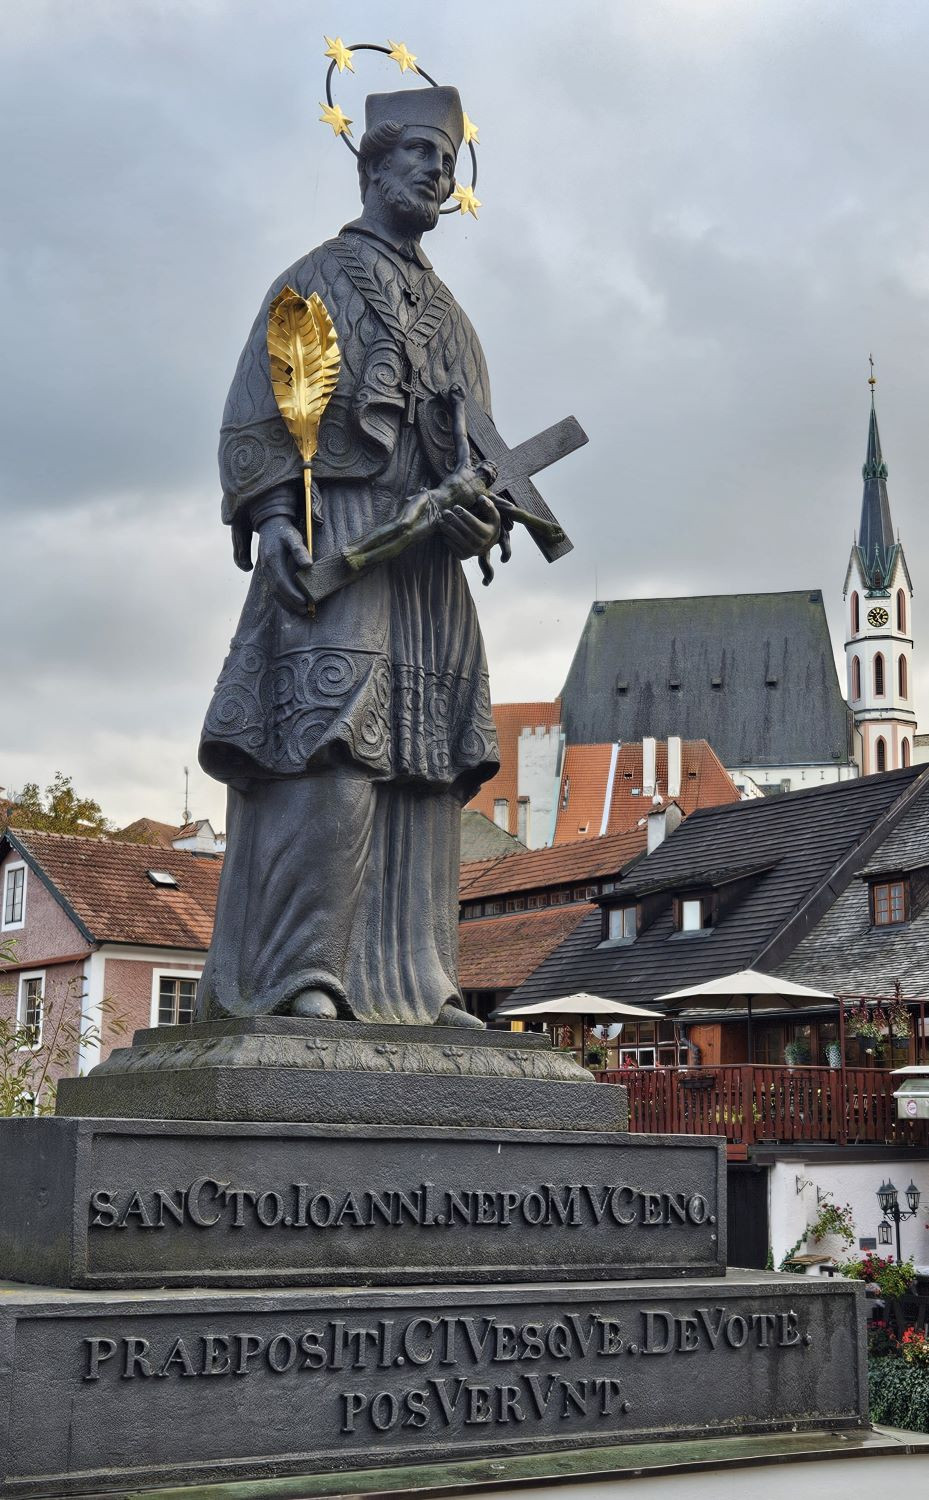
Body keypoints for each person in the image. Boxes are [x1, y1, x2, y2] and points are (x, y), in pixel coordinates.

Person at [197, 86, 501, 1026]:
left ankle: (417, 984)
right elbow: (260, 408)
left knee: (426, 770)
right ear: (370, 166)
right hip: (343, 538)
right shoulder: (314, 280)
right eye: (416, 154)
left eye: (445, 162)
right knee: (330, 748)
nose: (434, 172)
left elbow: (481, 456)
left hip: (427, 569)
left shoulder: (454, 318)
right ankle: (298, 974)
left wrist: (479, 516)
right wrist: (277, 514)